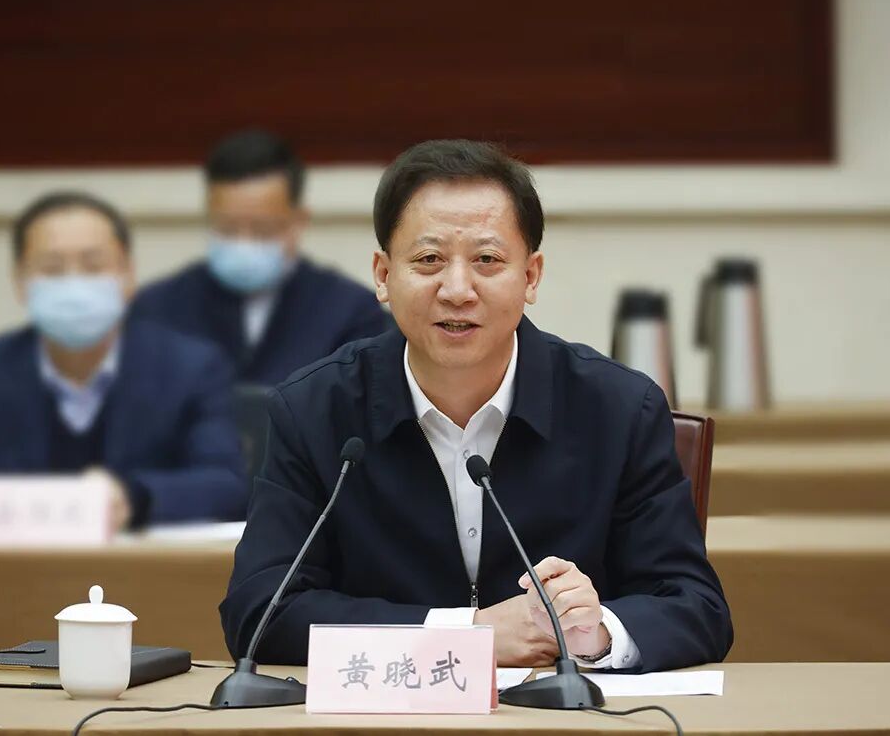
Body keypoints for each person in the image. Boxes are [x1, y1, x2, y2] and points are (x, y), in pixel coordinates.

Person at [220, 140, 732, 671]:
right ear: (383, 275)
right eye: (429, 260)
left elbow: (696, 605)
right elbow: (260, 611)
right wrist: (465, 634)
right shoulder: (313, 411)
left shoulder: (619, 410)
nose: (458, 290)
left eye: (487, 260)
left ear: (530, 276)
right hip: (384, 712)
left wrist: (595, 632)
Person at [0, 192, 248, 528]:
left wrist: (132, 498)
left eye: (93, 266)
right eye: (52, 268)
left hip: (142, 559)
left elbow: (227, 485)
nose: (74, 284)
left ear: (128, 274)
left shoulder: (191, 369)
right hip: (10, 560)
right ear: (20, 282)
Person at [131, 129, 393, 385]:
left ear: (299, 221)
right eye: (227, 228)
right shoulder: (158, 311)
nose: (243, 242)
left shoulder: (351, 314)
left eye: (262, 229)